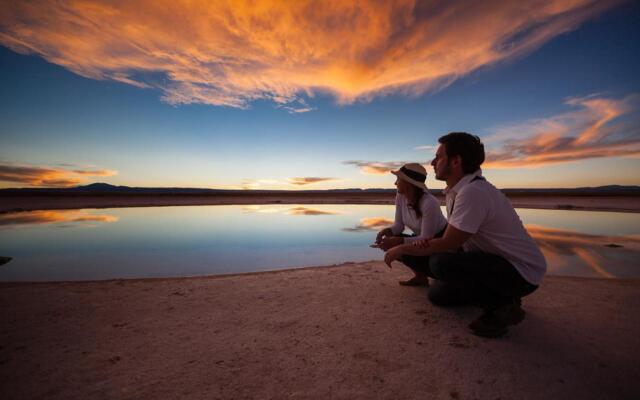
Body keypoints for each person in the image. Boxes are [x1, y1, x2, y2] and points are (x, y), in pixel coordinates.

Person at [384, 132, 546, 338]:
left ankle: (504, 305)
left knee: (441, 264)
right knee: (438, 296)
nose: (433, 162)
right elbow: (453, 243)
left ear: (456, 161)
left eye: (439, 156)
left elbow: (448, 242)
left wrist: (401, 246)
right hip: (492, 262)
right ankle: (499, 295)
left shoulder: (473, 192)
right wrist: (405, 246)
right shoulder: (456, 191)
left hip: (520, 272)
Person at [375, 163, 447, 286]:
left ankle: (437, 273)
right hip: (422, 240)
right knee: (393, 243)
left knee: (399, 246)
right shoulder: (400, 196)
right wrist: (387, 232)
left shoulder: (429, 202)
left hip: (438, 243)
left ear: (408, 183)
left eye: (398, 179)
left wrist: (398, 241)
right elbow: (398, 226)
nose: (395, 183)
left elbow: (426, 238)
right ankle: (420, 277)